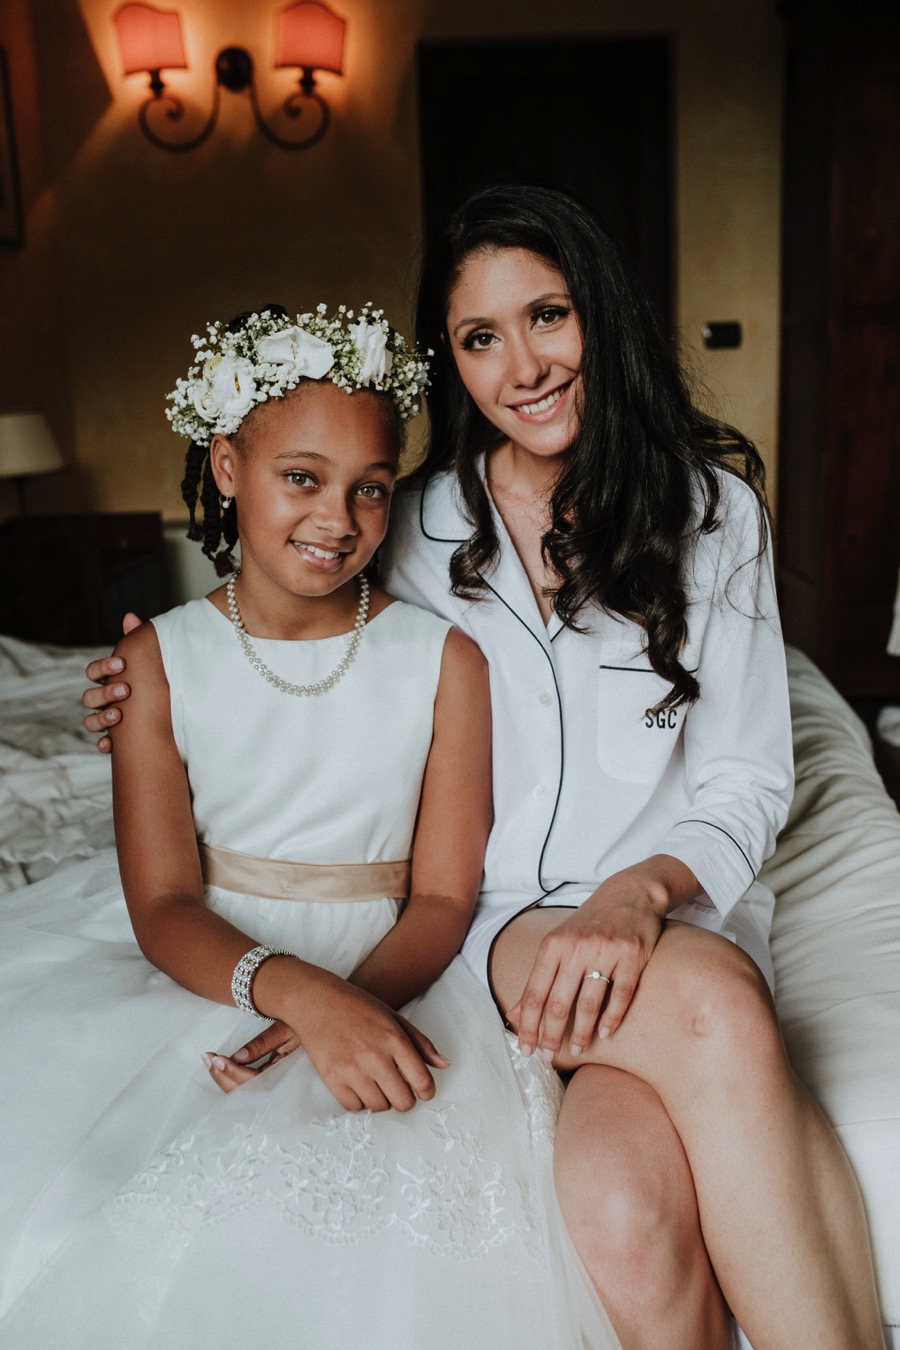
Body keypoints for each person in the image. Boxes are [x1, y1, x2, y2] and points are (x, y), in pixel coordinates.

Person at [81, 186, 883, 1350]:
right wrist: (135, 680)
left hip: (675, 912)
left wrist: (637, 897)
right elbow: (282, 626)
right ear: (449, 361)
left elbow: (753, 781)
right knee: (708, 1016)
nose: (524, 365)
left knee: (621, 1208)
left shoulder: (717, 516)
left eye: (548, 316)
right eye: (479, 338)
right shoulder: (405, 522)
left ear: (598, 315)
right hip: (498, 928)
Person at [0, 302, 620, 1349]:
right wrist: (295, 995)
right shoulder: (156, 662)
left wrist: (349, 1004)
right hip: (209, 964)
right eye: (301, 477)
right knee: (93, 1202)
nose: (338, 517)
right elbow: (160, 900)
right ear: (228, 465)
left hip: (397, 963)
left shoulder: (441, 662)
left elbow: (442, 896)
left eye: (370, 488)